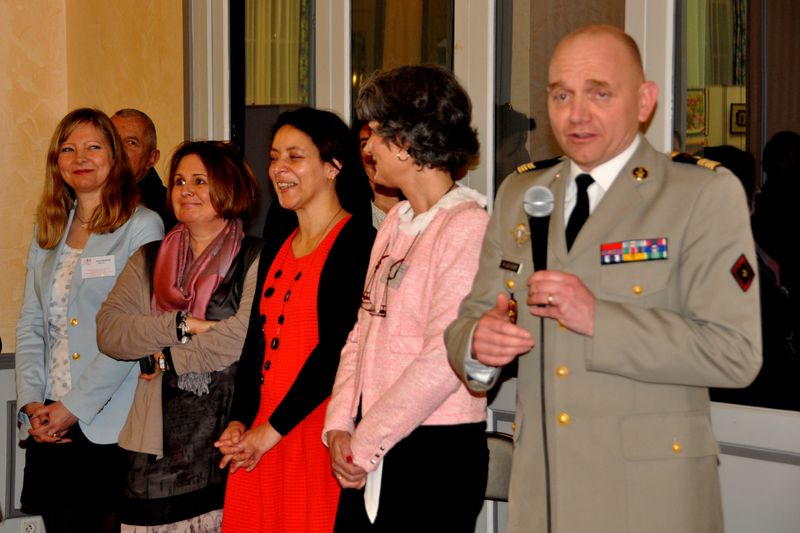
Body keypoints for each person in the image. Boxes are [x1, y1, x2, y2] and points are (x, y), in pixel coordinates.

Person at [446, 24, 762, 533]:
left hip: (649, 503)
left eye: (599, 93)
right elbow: (471, 318)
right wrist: (478, 346)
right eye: (561, 95)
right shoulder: (521, 195)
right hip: (542, 498)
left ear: (644, 101)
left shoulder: (700, 194)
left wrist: (600, 319)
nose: (576, 114)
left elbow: (736, 354)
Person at [325, 65, 490, 532]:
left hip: (434, 449)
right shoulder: (395, 222)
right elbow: (361, 332)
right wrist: (338, 424)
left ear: (406, 141)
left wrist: (364, 442)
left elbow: (444, 359)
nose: (368, 148)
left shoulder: (467, 226)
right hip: (373, 440)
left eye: (376, 133)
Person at [215, 107, 374, 533]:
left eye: (294, 156)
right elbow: (256, 343)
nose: (278, 169)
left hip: (315, 431)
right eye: (274, 157)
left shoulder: (358, 242)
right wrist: (240, 420)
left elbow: (335, 351)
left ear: (333, 166)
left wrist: (271, 431)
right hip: (262, 433)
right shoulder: (277, 244)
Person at [96, 141, 263, 531]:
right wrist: (181, 325)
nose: (186, 190)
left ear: (229, 186)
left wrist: (164, 357)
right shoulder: (149, 258)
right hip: (154, 447)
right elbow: (109, 331)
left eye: (200, 181)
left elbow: (241, 338)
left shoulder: (257, 257)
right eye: (179, 181)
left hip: (227, 438)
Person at [15, 108, 164, 533]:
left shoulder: (143, 227)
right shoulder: (48, 230)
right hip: (50, 423)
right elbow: (31, 325)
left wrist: (72, 408)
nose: (80, 157)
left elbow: (133, 333)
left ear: (114, 157)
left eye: (93, 147)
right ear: (56, 162)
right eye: (68, 149)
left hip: (111, 425)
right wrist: (32, 405)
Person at [112, 108, 177, 230]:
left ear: (151, 158)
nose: (118, 150)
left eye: (131, 143)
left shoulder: (167, 211)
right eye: (113, 141)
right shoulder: (87, 198)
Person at [352, 118, 402, 228]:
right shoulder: (351, 218)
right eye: (365, 144)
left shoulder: (422, 208)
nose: (373, 153)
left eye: (382, 142)